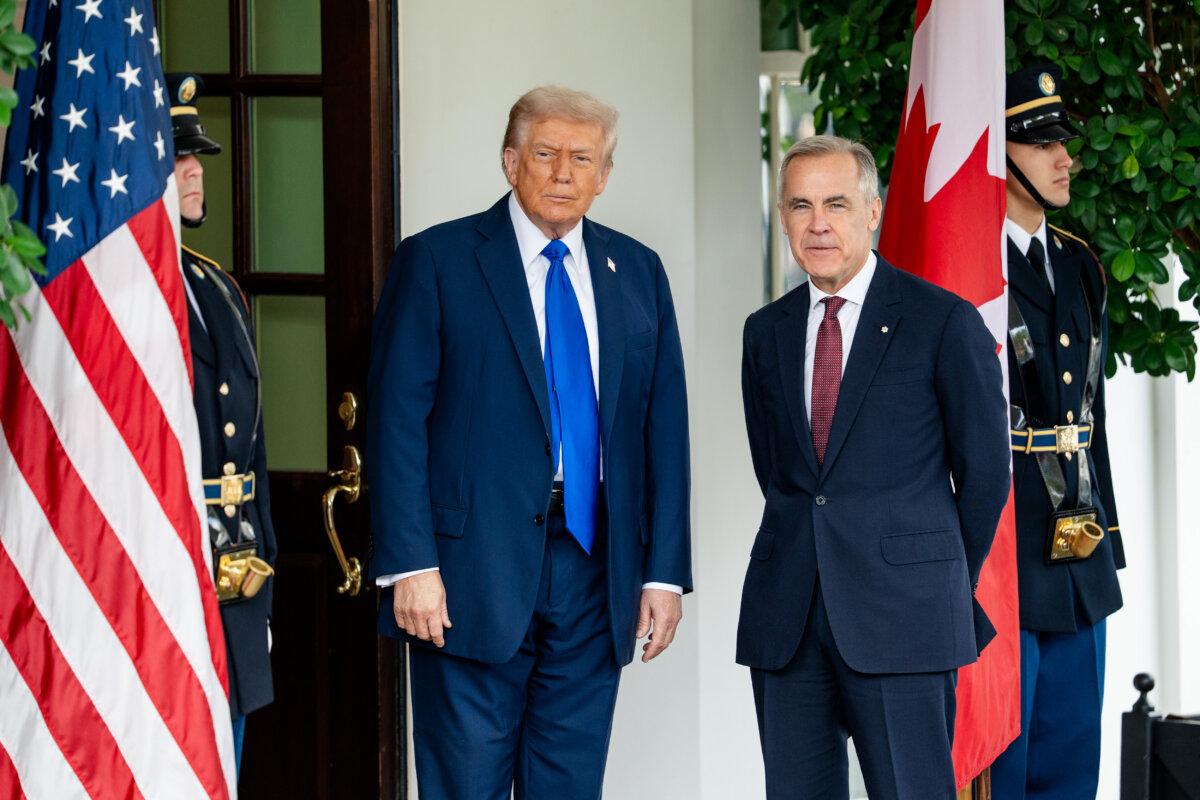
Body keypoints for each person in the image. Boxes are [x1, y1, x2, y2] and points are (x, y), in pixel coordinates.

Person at [367, 85, 692, 799]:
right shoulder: (439, 261)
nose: (563, 173)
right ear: (510, 162)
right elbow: (396, 419)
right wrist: (410, 562)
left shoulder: (638, 271)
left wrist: (663, 572)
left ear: (605, 176)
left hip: (594, 566)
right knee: (467, 786)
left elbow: (662, 430)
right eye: (545, 154)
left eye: (583, 158)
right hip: (465, 572)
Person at [737, 135, 1011, 799]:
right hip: (789, 620)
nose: (818, 223)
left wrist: (932, 574)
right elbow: (778, 471)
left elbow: (986, 477)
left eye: (836, 203)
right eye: (800, 206)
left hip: (905, 618)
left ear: (874, 212)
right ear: (783, 218)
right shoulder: (765, 330)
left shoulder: (942, 322)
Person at [991, 63, 1123, 800]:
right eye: (1041, 143)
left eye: (1061, 141)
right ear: (1000, 156)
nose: (1063, 156)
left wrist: (1113, 531)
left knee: (1076, 765)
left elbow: (1089, 415)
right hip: (1003, 543)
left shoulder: (1078, 264)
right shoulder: (968, 269)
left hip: (1080, 547)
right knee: (1007, 768)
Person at [170, 72, 277, 773]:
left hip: (232, 574)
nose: (194, 171)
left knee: (222, 768)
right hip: (161, 568)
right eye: (175, 159)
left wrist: (264, 596)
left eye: (196, 157)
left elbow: (253, 453)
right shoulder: (114, 307)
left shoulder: (216, 286)